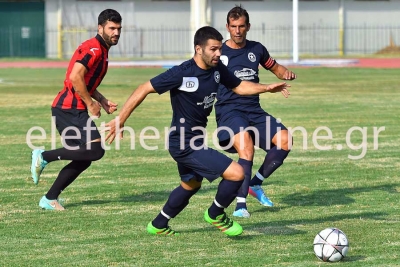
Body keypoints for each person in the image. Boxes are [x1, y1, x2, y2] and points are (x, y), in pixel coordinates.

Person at [105, 26, 291, 236]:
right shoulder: (182, 73)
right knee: (237, 174)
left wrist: (266, 88)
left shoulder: (218, 69)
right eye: (213, 49)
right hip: (184, 143)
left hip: (194, 141)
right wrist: (121, 119)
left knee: (190, 184)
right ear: (198, 49)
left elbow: (239, 86)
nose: (219, 53)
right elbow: (143, 88)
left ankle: (157, 225)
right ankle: (216, 214)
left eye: (220, 49)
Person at [30, 9, 122, 210]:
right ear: (100, 28)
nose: (116, 32)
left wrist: (102, 100)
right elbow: (75, 77)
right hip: (69, 108)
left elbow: (87, 81)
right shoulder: (94, 49)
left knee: (85, 157)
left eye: (118, 29)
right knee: (96, 150)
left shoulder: (102, 50)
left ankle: (49, 198)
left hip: (69, 109)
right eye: (112, 28)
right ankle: (44, 156)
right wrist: (90, 104)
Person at [214, 5, 297, 218]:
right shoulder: (219, 52)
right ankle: (240, 205)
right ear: (227, 27)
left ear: (248, 26)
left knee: (286, 140)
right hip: (229, 112)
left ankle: (255, 184)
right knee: (247, 146)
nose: (238, 31)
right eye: (233, 27)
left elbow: (276, 68)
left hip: (254, 110)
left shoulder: (257, 49)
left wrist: (285, 74)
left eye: (241, 26)